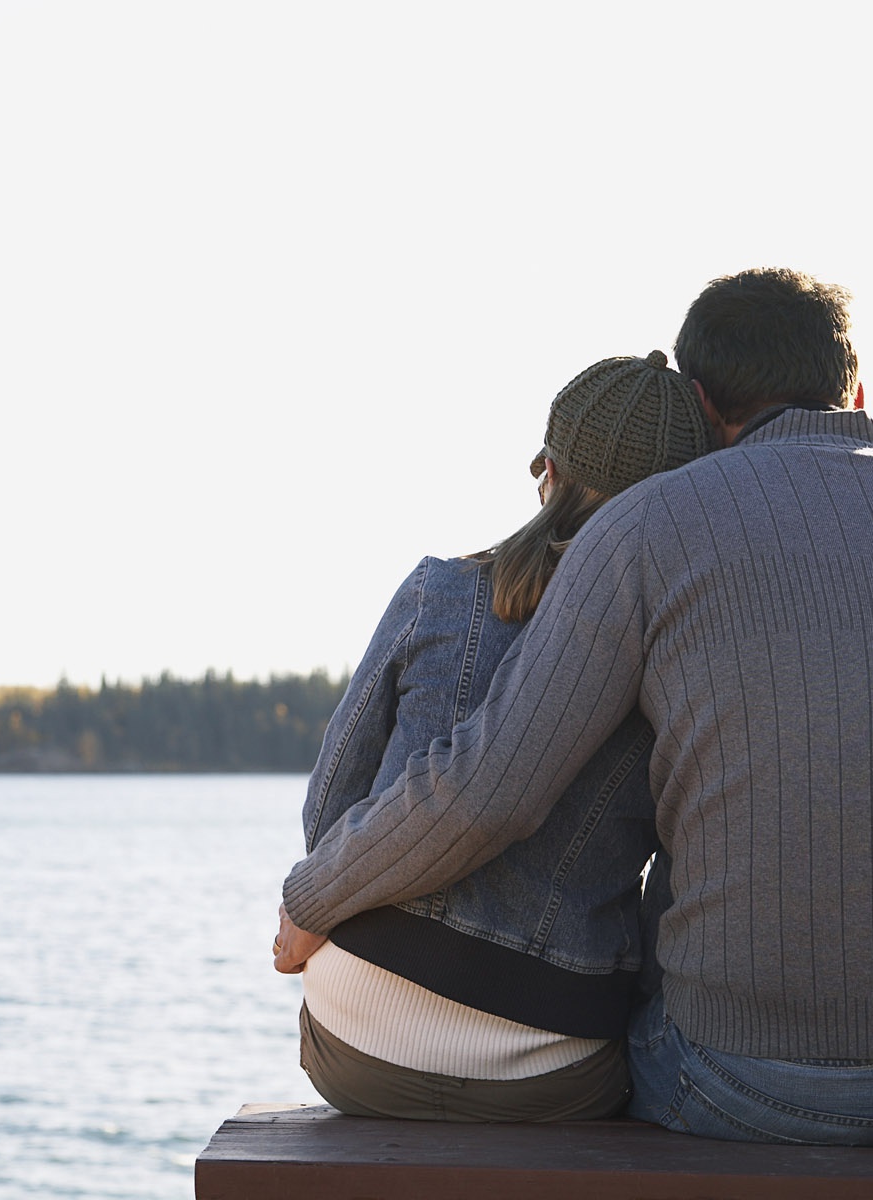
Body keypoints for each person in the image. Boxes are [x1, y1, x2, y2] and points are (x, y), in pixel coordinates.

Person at [274, 268, 873, 1149]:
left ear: (699, 403)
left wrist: (312, 899)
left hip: (748, 1084)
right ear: (857, 390)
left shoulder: (648, 528)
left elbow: (493, 787)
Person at [283, 351, 708, 1120]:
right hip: (555, 1061)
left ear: (544, 466)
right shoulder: (683, 652)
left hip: (357, 1041)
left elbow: (328, 818)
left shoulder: (437, 591)